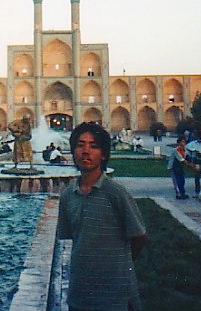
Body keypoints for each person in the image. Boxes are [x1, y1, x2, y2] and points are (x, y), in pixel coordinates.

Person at [58, 122, 147, 311]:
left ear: (104, 154)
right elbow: (72, 238)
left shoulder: (115, 193)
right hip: (80, 293)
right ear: (73, 151)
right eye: (80, 145)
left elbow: (139, 236)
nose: (86, 151)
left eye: (93, 146)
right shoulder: (68, 195)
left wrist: (116, 264)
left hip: (115, 294)